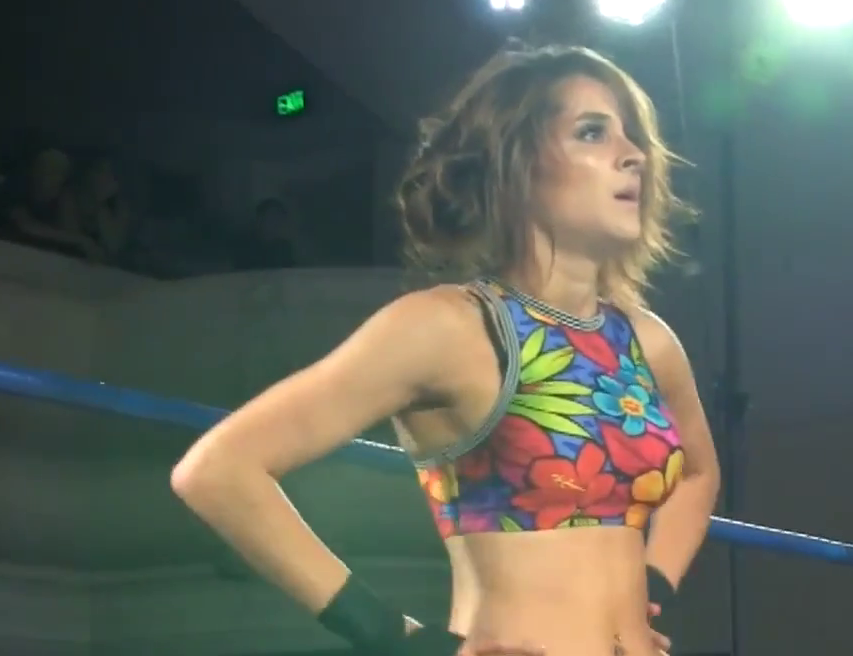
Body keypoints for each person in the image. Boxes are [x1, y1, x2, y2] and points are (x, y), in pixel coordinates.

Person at [170, 44, 721, 656]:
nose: (634, 154)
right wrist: (398, 640)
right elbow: (219, 469)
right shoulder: (450, 327)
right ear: (516, 163)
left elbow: (699, 473)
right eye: (592, 132)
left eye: (631, 135)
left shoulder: (647, 341)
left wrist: (650, 586)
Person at [0, 147, 103, 260]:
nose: (54, 177)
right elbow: (27, 226)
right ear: (34, 168)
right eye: (47, 168)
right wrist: (81, 240)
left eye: (60, 172)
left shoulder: (62, 197)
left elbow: (72, 233)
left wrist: (67, 202)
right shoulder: (14, 189)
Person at [232, 197, 297, 270]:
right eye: (271, 218)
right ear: (259, 220)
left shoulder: (284, 248)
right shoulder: (244, 246)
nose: (276, 223)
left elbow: (291, 271)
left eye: (279, 219)